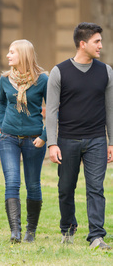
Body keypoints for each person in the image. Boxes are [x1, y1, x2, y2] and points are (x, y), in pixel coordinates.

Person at [46, 22, 113, 249]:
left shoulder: (106, 71)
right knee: (66, 188)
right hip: (66, 140)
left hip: (96, 139)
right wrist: (52, 143)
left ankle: (96, 236)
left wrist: (111, 142)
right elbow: (52, 110)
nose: (101, 46)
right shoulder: (59, 72)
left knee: (96, 188)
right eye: (97, 41)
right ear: (82, 44)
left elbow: (110, 109)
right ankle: (67, 229)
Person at [0, 39, 48, 243]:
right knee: (12, 182)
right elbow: (0, 102)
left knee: (33, 185)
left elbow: (52, 111)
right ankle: (15, 232)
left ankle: (30, 232)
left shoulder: (42, 80)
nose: (8, 56)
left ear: (23, 55)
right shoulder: (5, 79)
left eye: (12, 52)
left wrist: (44, 136)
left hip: (35, 140)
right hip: (8, 138)